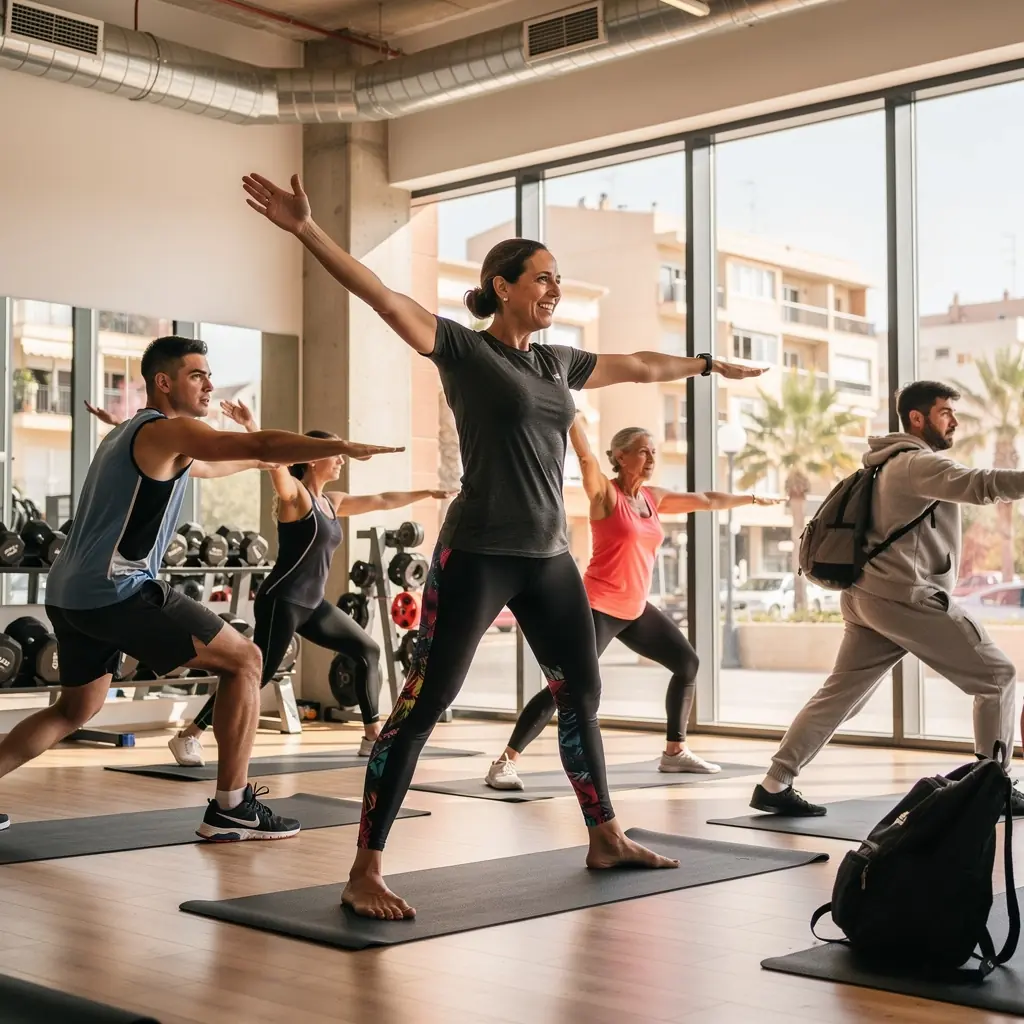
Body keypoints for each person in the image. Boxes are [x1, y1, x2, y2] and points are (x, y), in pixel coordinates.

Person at [243, 170, 766, 919]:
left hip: (548, 557)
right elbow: (381, 296)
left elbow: (639, 365)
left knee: (581, 694)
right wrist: (306, 228)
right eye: (543, 277)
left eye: (558, 279)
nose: (555, 289)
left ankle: (605, 836)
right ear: (503, 286)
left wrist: (707, 365)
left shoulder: (557, 363)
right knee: (424, 704)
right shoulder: (461, 349)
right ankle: (365, 869)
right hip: (479, 553)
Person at [0, 335, 400, 840]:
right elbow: (254, 445)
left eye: (209, 375)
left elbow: (220, 462)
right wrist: (337, 446)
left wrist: (261, 460)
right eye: (197, 376)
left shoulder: (132, 435)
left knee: (74, 709)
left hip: (69, 595)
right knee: (247, 660)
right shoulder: (167, 430)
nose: (209, 385)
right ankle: (232, 806)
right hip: (117, 589)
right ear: (163, 383)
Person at [750, 381, 1024, 818]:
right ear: (917, 418)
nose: (954, 421)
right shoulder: (916, 463)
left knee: (840, 695)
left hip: (868, 595)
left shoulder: (887, 464)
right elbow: (981, 485)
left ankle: (775, 782)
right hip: (903, 596)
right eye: (945, 412)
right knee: (997, 677)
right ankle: (992, 790)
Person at [485, 415, 783, 790]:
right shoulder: (605, 496)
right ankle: (504, 762)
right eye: (643, 451)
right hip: (597, 606)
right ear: (621, 456)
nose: (651, 458)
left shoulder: (653, 498)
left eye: (654, 451)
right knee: (566, 686)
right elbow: (586, 458)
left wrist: (751, 498)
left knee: (687, 664)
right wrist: (568, 413)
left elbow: (707, 500)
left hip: (635, 608)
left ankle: (674, 751)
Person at [163, 399, 453, 766]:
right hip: (282, 600)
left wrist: (428, 493)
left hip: (313, 605)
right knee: (256, 672)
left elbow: (381, 500)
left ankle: (371, 737)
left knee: (367, 650)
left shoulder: (332, 502)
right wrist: (252, 426)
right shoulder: (297, 497)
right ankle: (189, 735)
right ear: (313, 458)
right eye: (335, 453)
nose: (341, 460)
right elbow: (276, 465)